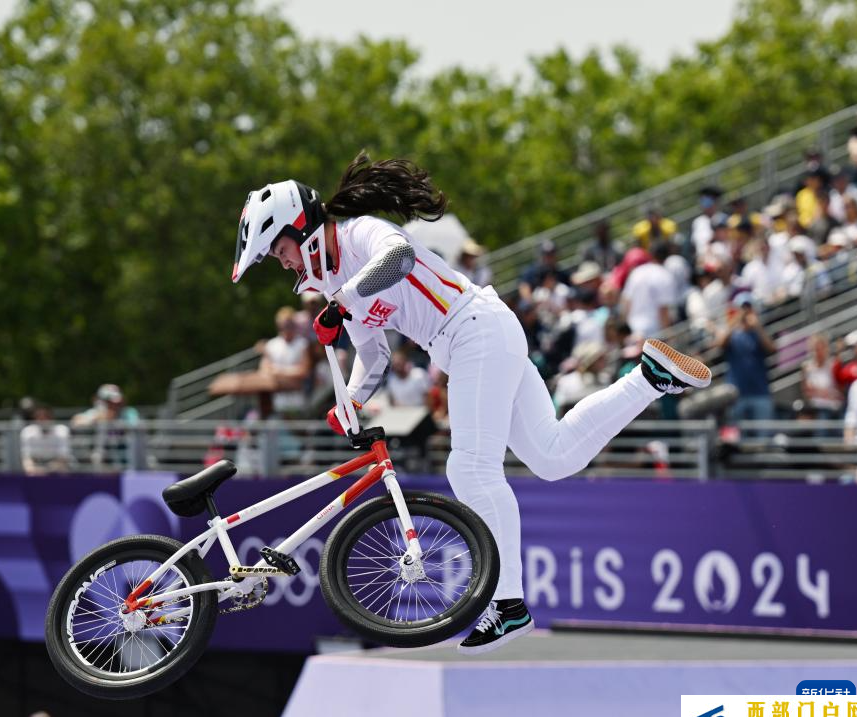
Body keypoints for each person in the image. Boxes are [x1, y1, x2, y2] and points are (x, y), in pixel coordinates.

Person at [232, 151, 711, 654]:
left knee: (471, 470)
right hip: (474, 342)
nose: (280, 261)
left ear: (300, 228)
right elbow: (372, 353)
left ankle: (507, 605)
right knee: (552, 457)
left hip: (473, 329)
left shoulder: (358, 235)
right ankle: (650, 378)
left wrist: (344, 301)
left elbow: (401, 259)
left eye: (278, 249)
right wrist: (350, 398)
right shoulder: (330, 282)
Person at [716, 292, 776, 429]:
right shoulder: (733, 333)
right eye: (742, 308)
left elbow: (772, 349)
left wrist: (757, 327)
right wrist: (736, 320)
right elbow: (720, 343)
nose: (745, 311)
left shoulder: (759, 332)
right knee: (735, 440)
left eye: (748, 307)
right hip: (736, 394)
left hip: (760, 392)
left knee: (764, 438)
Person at [71, 384, 140, 469]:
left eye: (116, 403)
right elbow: (76, 421)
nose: (114, 405)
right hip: (103, 457)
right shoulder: (96, 413)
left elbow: (135, 426)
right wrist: (97, 418)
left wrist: (113, 421)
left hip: (125, 456)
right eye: (109, 402)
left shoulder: (129, 412)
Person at [259, 305, 310, 416]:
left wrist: (278, 371)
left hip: (298, 402)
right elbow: (264, 371)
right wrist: (290, 374)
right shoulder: (271, 345)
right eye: (284, 325)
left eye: (290, 325)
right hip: (277, 402)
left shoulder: (302, 344)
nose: (287, 328)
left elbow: (304, 371)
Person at [620, 241, 678, 338]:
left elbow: (626, 302)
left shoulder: (637, 272)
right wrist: (668, 335)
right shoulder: (665, 275)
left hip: (633, 330)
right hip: (655, 333)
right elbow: (663, 310)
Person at [20, 403, 71, 474]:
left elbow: (63, 458)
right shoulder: (27, 432)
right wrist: (31, 469)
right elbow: (27, 458)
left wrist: (46, 470)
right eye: (39, 417)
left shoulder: (61, 431)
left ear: (51, 418)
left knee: (63, 470)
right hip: (36, 466)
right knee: (30, 472)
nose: (42, 420)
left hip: (57, 466)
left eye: (45, 416)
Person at [801, 334, 842, 418]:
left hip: (833, 407)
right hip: (815, 408)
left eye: (819, 349)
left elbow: (839, 392)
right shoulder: (806, 367)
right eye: (814, 349)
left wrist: (819, 392)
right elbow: (807, 392)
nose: (817, 353)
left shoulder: (833, 365)